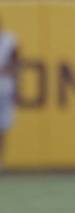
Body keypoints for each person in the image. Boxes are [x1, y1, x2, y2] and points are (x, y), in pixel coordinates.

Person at [0, 17, 19, 169]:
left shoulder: (9, 41)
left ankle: (1, 162)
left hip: (4, 87)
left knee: (3, 125)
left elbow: (15, 65)